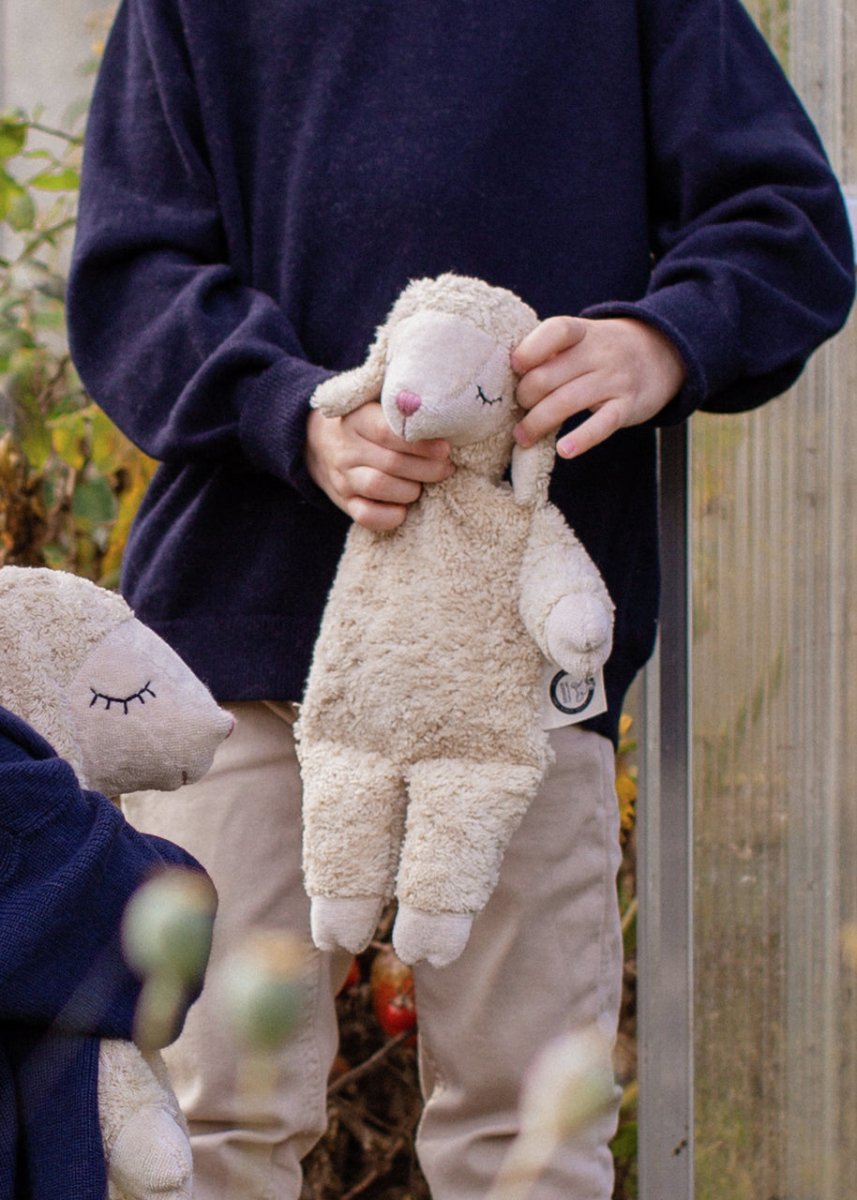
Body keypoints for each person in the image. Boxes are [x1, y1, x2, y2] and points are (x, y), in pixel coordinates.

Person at [66, 2, 855, 1197]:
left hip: (515, 672)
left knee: (524, 1143)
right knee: (202, 1127)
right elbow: (132, 282)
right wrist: (292, 413)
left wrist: (661, 340)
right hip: (236, 649)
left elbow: (787, 224)